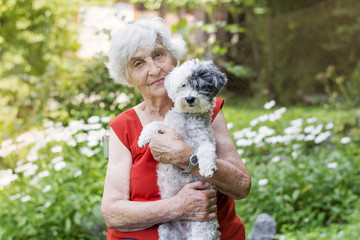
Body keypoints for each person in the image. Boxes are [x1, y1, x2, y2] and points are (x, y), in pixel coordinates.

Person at [101, 17, 251, 240]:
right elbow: (112, 213)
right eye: (138, 63)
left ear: (173, 57)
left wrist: (187, 157)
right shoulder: (124, 127)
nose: (154, 69)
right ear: (127, 77)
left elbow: (241, 186)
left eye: (158, 54)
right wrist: (178, 207)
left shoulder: (205, 108)